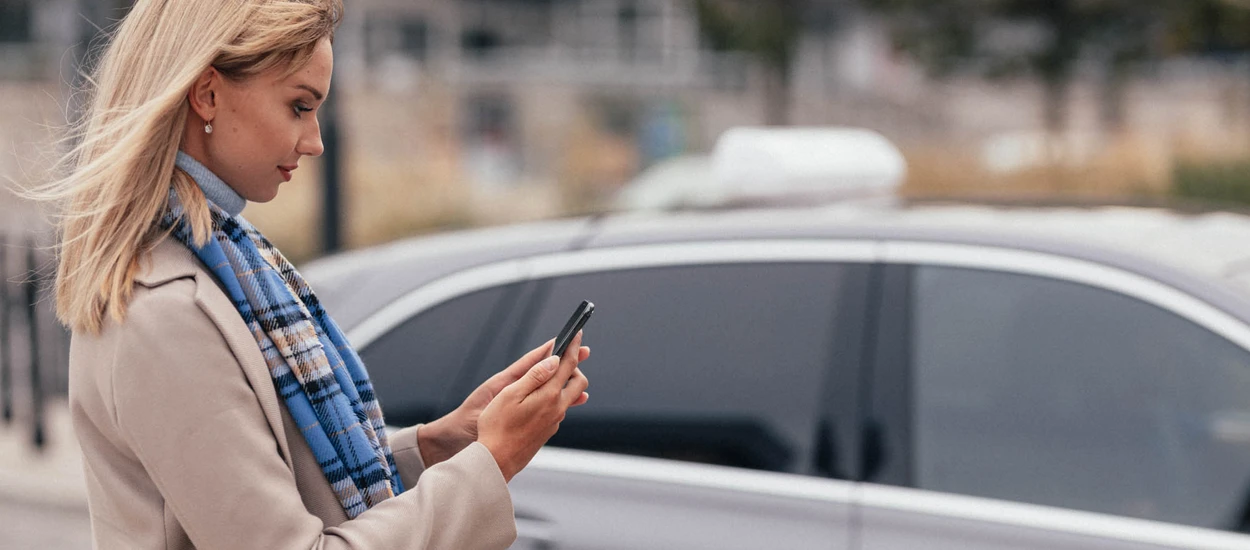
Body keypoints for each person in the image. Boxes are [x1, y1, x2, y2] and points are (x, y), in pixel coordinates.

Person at [30, 1, 590, 548]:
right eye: (299, 106)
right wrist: (492, 463)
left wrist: (440, 446)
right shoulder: (168, 312)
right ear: (207, 94)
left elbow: (277, 485)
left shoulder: (225, 260)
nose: (315, 140)